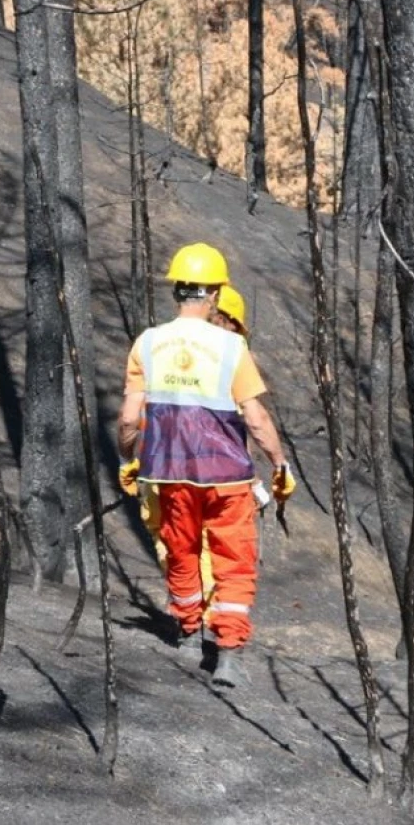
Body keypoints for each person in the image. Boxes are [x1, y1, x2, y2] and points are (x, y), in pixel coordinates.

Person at [117, 244, 294, 688]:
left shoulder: (148, 343)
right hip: (227, 476)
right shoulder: (231, 345)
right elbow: (255, 418)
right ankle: (229, 656)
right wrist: (279, 463)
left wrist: (129, 459)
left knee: (183, 551)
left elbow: (127, 418)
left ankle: (189, 634)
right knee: (234, 560)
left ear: (177, 289)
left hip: (168, 470)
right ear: (214, 294)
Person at [137, 283, 259, 598]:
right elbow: (244, 422)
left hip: (163, 467)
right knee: (200, 546)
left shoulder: (164, 346)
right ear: (221, 316)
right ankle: (202, 620)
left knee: (177, 542)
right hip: (203, 474)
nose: (237, 334)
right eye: (234, 326)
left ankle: (194, 618)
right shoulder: (226, 355)